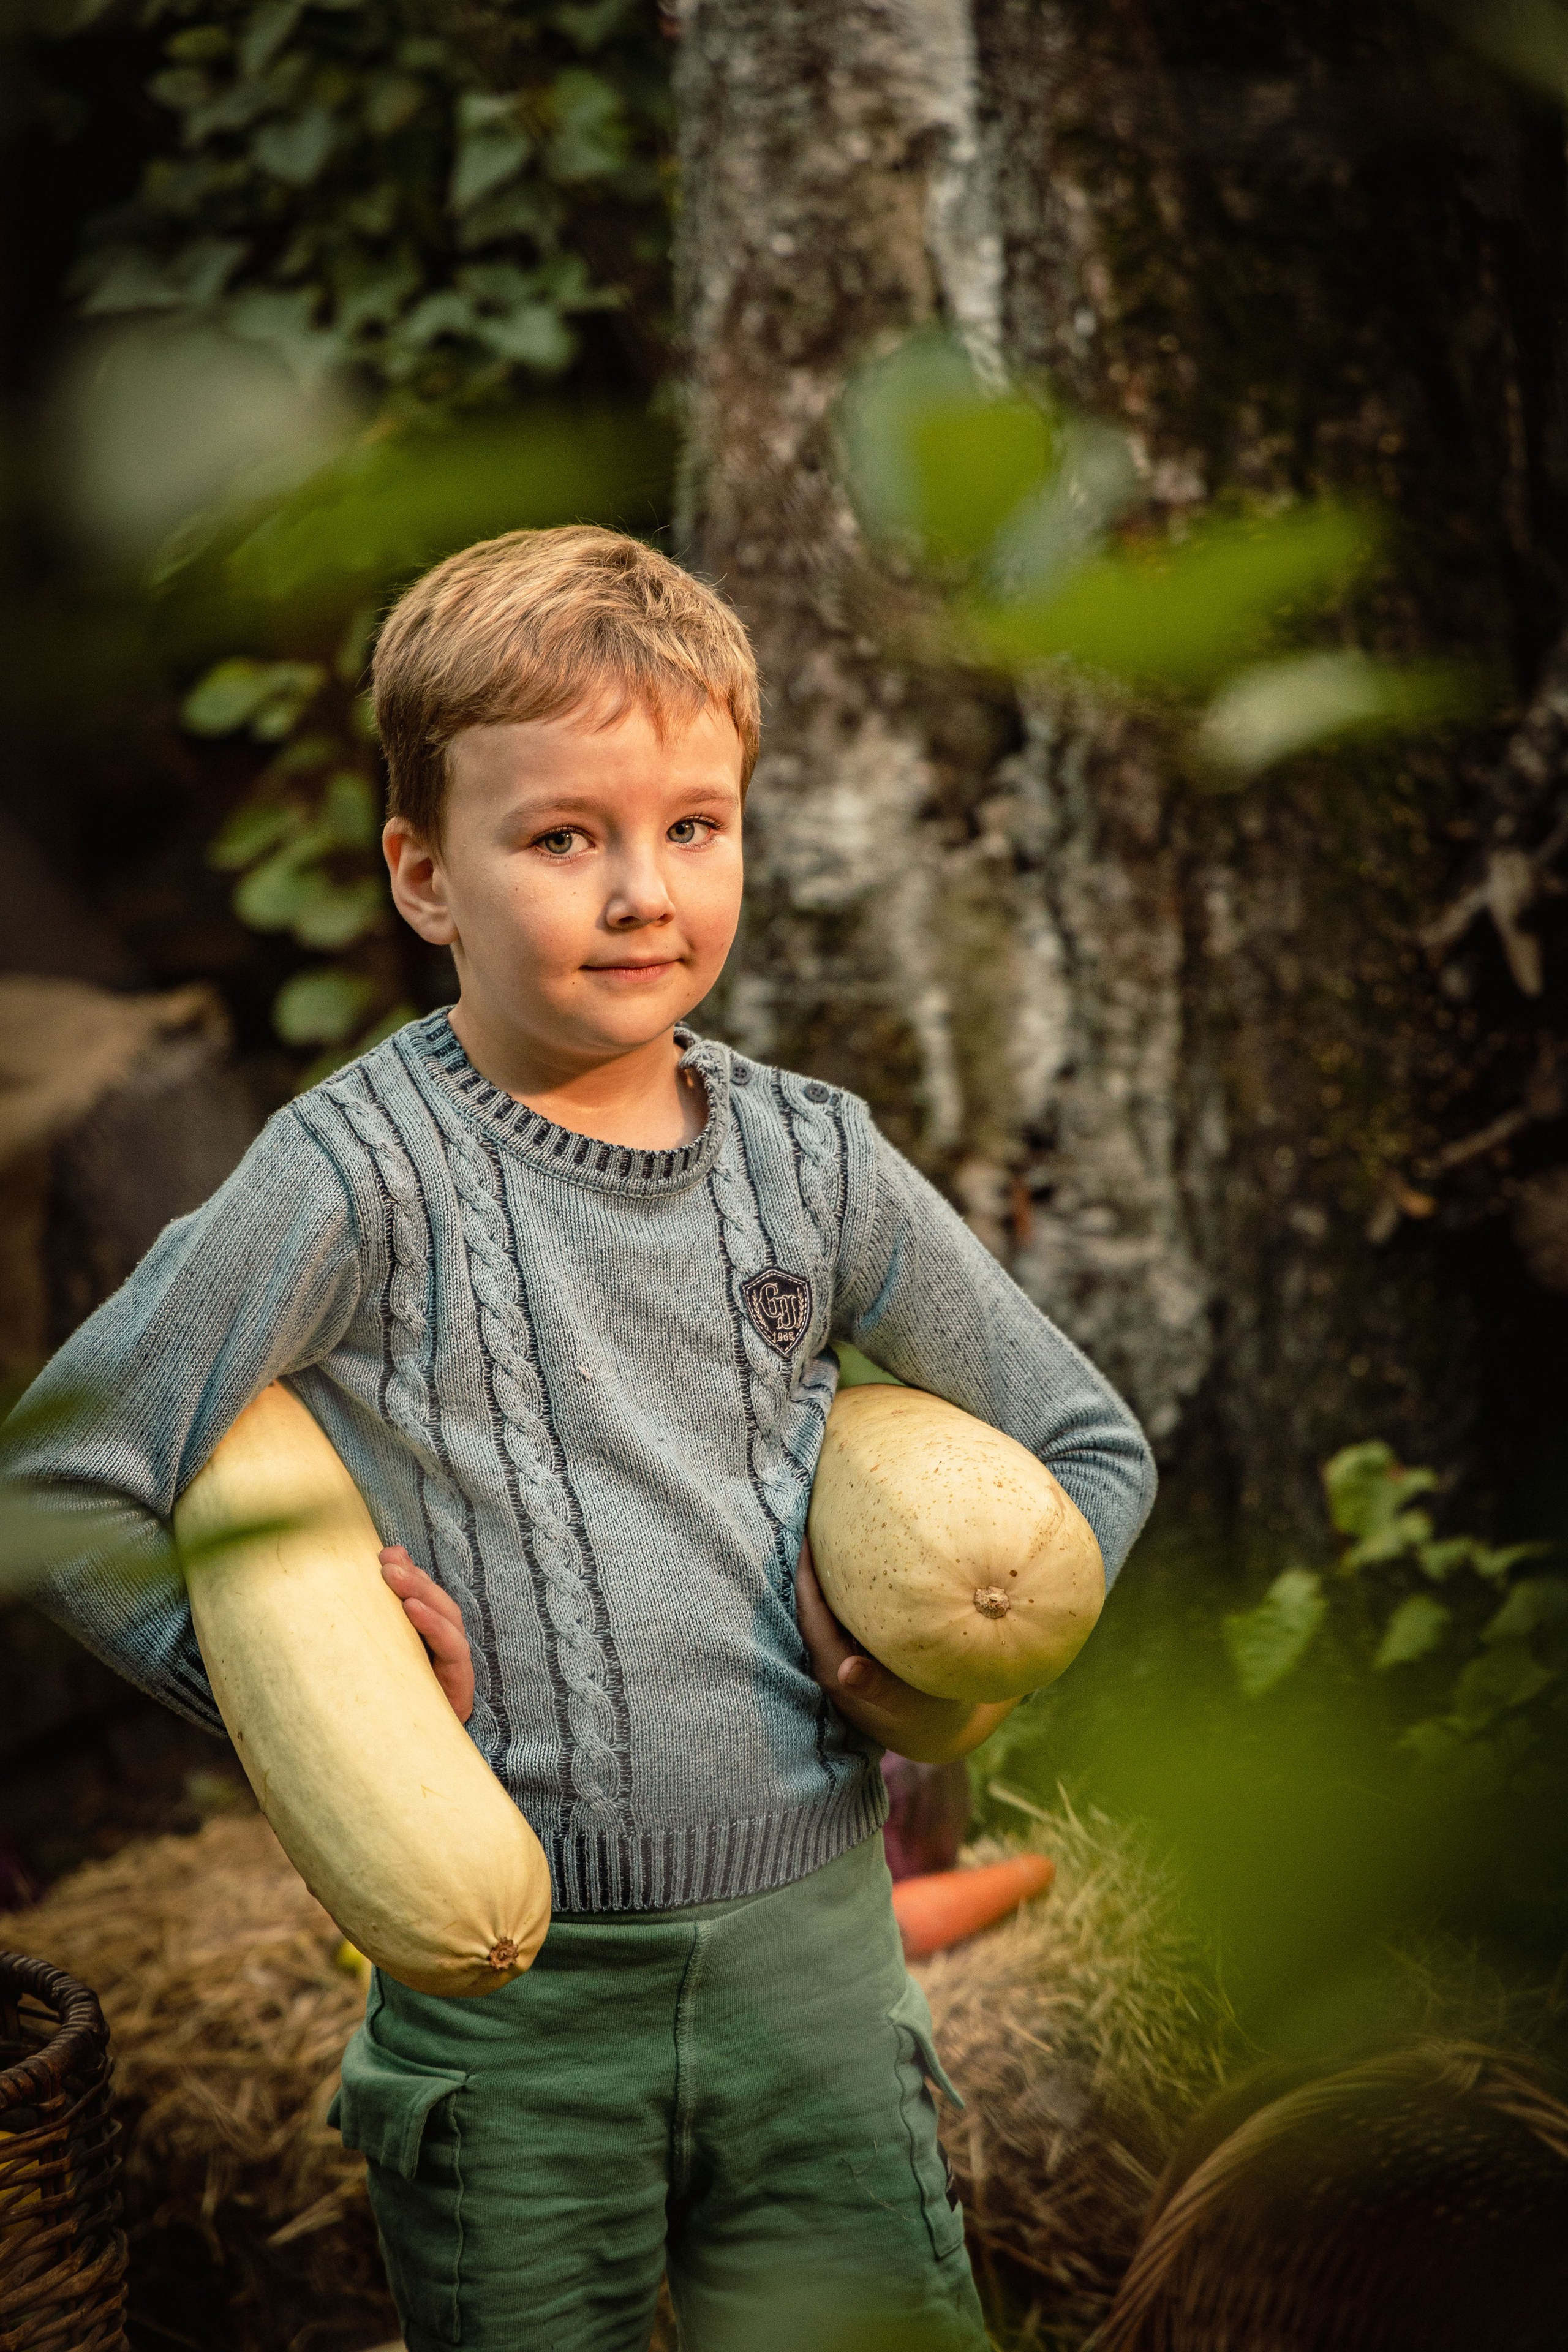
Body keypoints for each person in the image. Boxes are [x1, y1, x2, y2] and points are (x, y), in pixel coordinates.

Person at [9, 526, 1156, 2351]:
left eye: (694, 827)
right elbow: (62, 1478)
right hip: (507, 2017)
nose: (644, 892)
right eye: (564, 838)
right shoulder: (353, 1176)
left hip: (823, 1988)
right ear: (423, 873)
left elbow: (1091, 1450)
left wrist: (945, 1690)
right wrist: (308, 1703)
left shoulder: (818, 1163)